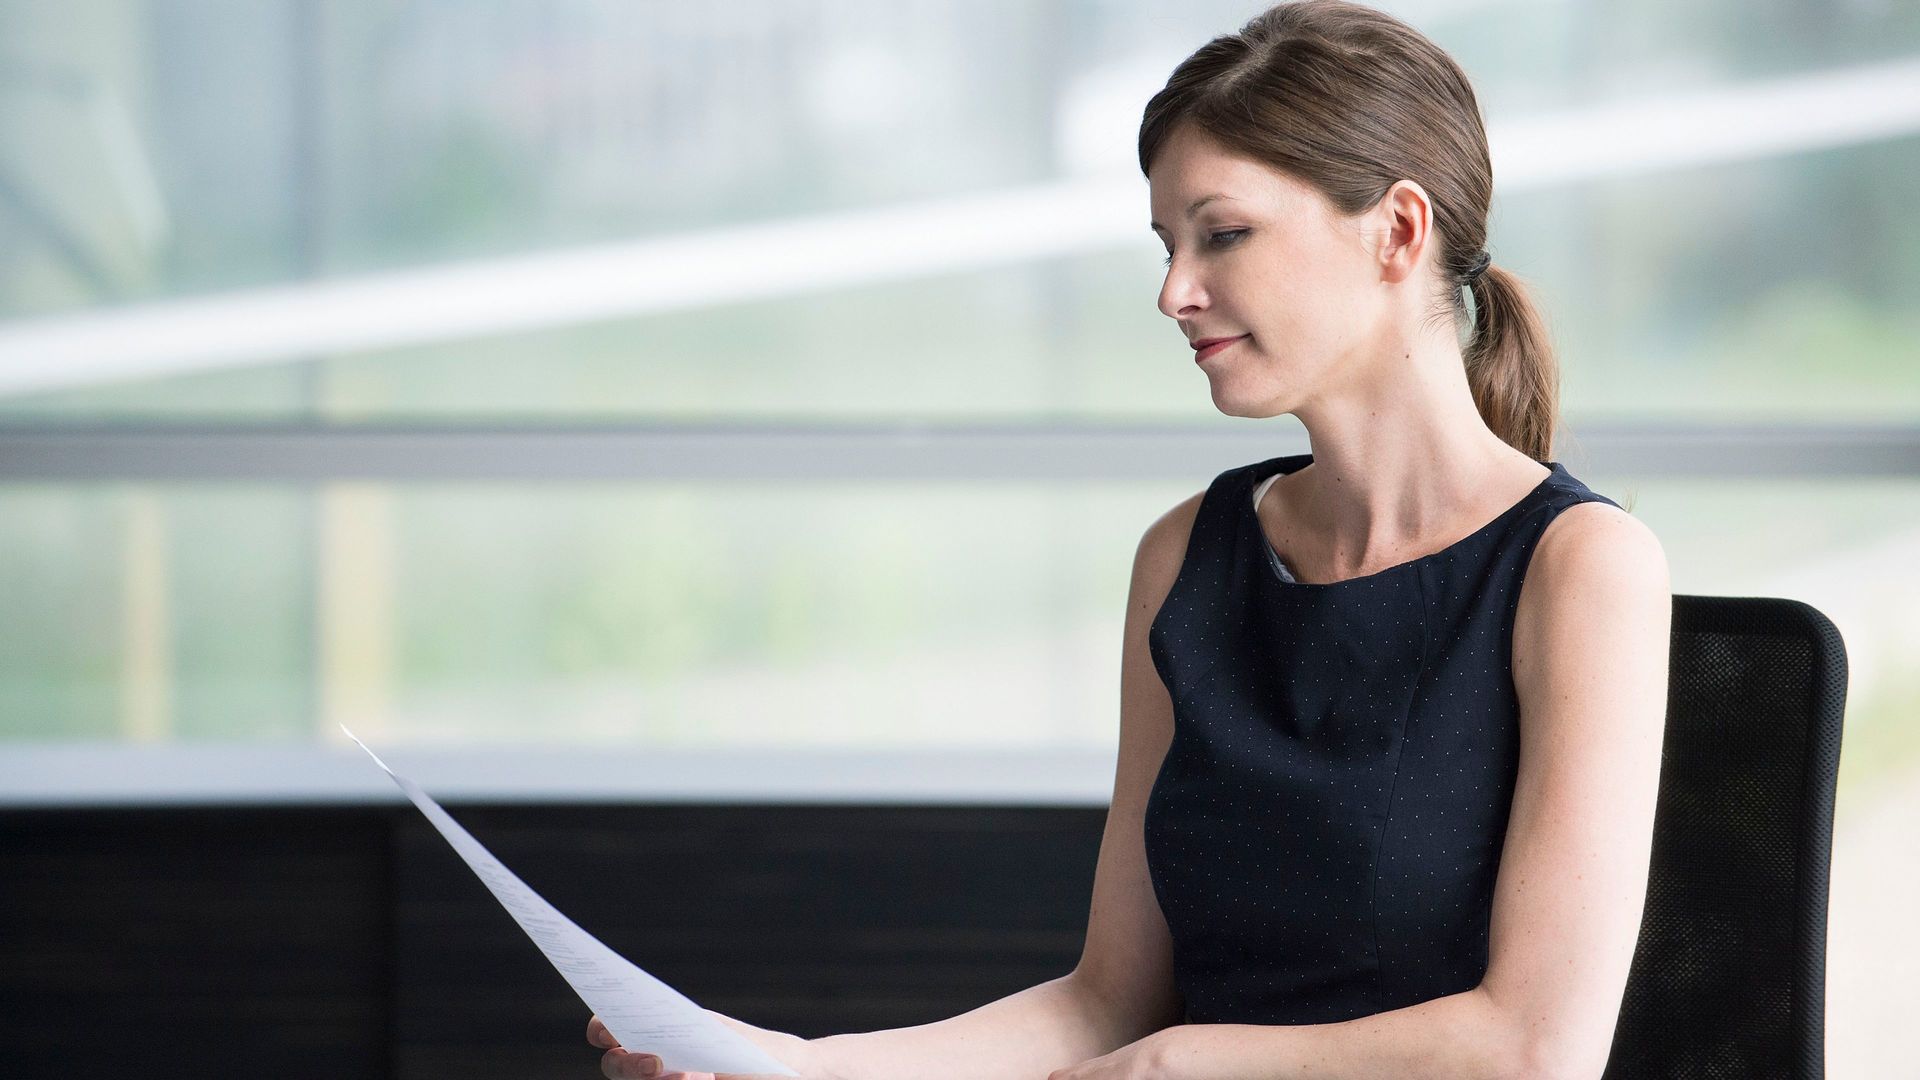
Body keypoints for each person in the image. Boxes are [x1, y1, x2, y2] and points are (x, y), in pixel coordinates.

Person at [590, 1, 1670, 1077]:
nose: (1174, 293)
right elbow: (1104, 1007)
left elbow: (1536, 1050)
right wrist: (798, 1066)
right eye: (1167, 246)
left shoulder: (1580, 568)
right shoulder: (1186, 558)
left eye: (1223, 234)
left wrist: (1182, 1065)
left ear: (1397, 230)